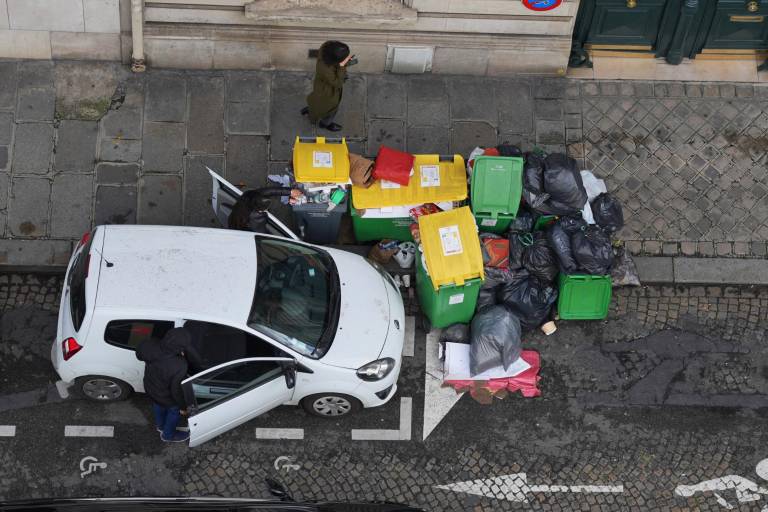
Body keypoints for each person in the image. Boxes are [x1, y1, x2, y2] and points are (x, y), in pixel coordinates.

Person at [135, 328, 197, 443]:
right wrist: (183, 407)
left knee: (158, 405)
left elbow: (139, 355)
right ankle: (168, 435)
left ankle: (160, 426)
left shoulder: (150, 344)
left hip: (150, 387)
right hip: (166, 395)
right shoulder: (179, 364)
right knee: (173, 411)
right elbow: (176, 390)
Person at [301, 41, 352, 132]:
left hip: (320, 87)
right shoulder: (326, 70)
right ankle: (325, 124)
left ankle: (311, 112)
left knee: (316, 102)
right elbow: (337, 83)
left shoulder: (325, 47)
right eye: (345, 57)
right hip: (327, 92)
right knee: (331, 110)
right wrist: (342, 66)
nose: (347, 58)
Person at [228, 187, 302, 232]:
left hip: (233, 223)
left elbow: (270, 191)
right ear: (259, 210)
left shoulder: (250, 197)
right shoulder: (256, 219)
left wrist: (290, 192)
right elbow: (262, 233)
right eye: (266, 208)